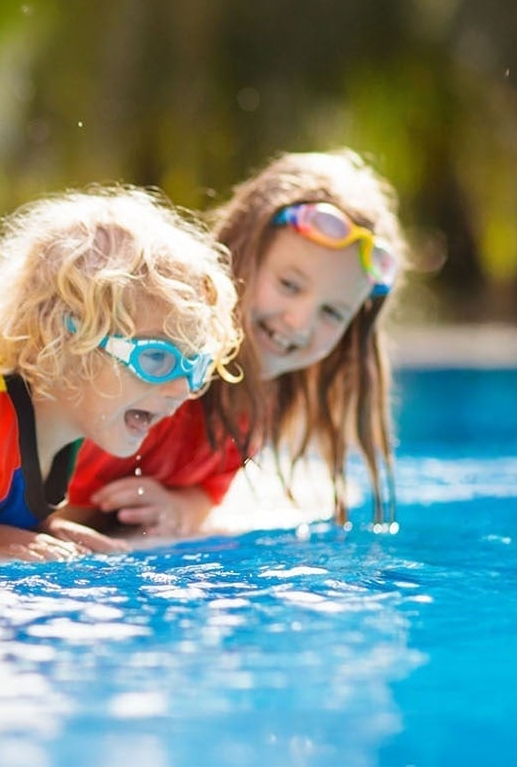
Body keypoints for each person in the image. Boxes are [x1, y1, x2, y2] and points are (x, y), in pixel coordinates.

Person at [0, 188, 244, 561]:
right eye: (157, 358)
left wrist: (47, 529)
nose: (183, 389)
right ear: (65, 339)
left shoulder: (58, 433)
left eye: (196, 366)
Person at [56, 150, 407, 541]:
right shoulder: (153, 364)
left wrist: (179, 508)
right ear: (236, 254)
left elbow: (209, 492)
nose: (300, 321)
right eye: (289, 285)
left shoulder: (255, 401)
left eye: (332, 313)